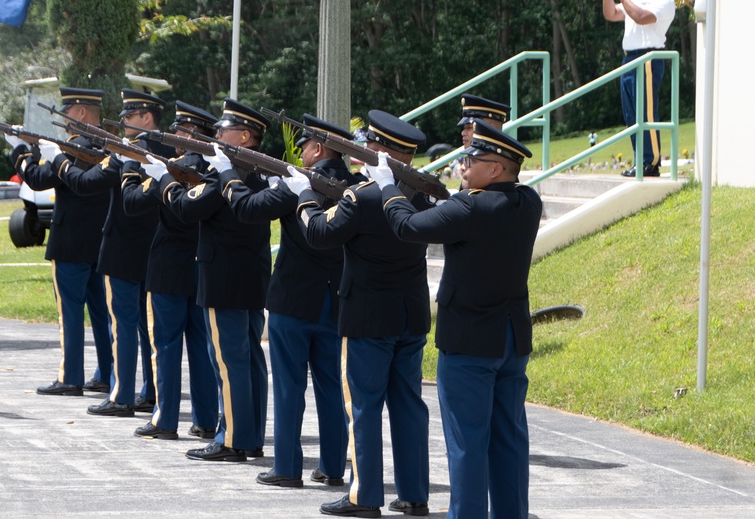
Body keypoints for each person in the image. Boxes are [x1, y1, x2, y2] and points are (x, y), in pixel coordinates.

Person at [368, 121, 542, 519]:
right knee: (510, 440)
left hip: (468, 343)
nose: (463, 165)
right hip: (511, 340)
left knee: (467, 444)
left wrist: (387, 186)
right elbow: (465, 216)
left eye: (472, 159)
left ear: (496, 168)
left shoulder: (468, 207)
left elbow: (406, 226)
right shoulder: (528, 202)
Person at [288, 110, 433, 518]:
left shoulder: (364, 196)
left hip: (368, 319)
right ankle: (414, 494)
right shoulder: (421, 196)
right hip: (409, 316)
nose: (363, 149)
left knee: (364, 409)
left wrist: (304, 195)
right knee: (408, 406)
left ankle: (364, 495)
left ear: (382, 151)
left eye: (370, 144)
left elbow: (318, 233)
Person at [217, 114, 360, 489]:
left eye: (304, 147)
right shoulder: (356, 186)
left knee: (289, 387)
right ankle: (331, 467)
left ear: (316, 148)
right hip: (335, 301)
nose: (301, 154)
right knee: (331, 387)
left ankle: (287, 466)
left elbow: (246, 209)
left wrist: (227, 175)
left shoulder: (298, 184)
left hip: (293, 302)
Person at [145, 98, 271, 463]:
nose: (216, 133)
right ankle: (250, 436)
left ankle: (231, 439)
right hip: (251, 276)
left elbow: (186, 208)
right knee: (250, 361)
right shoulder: (259, 170)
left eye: (224, 128)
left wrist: (163, 179)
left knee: (230, 363)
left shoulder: (226, 173)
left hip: (223, 278)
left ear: (244, 136)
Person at [40, 89, 172, 417]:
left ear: (147, 118)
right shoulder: (169, 150)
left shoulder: (128, 151)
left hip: (122, 250)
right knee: (147, 328)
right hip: (154, 250)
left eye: (130, 115)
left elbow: (85, 183)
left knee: (123, 325)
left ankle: (121, 395)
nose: (124, 121)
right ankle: (151, 392)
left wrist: (57, 159)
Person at [120, 101, 219, 441]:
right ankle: (206, 419)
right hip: (201, 267)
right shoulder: (217, 171)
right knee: (202, 347)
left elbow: (131, 203)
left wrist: (139, 172)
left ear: (192, 134)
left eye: (181, 130)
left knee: (165, 345)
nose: (176, 136)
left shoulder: (173, 168)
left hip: (168, 266)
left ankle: (165, 419)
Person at [6, 87, 113, 397]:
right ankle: (106, 373)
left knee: (69, 313)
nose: (64, 118)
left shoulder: (73, 148)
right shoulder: (106, 146)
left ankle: (70, 377)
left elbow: (38, 180)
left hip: (69, 243)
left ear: (80, 113)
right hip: (100, 242)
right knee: (102, 313)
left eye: (67, 112)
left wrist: (20, 151)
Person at [602, 0, 676, 178]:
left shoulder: (665, 0)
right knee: (631, 114)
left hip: (648, 58)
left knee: (646, 113)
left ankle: (651, 162)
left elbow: (641, 17)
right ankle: (640, 161)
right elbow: (612, 13)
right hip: (629, 58)